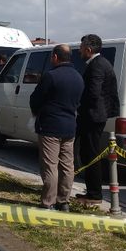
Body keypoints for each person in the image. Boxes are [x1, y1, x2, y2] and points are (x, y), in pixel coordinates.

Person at [29, 45, 84, 211]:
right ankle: (64, 200)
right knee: (68, 166)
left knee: (50, 166)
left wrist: (37, 112)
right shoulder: (78, 77)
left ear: (55, 57)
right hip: (69, 126)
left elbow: (36, 99)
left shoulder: (51, 76)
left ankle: (48, 202)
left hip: (50, 126)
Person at [75, 34, 120, 205]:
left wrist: (78, 106)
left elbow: (93, 93)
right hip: (95, 114)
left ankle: (94, 195)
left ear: (88, 49)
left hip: (93, 116)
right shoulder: (99, 64)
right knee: (87, 153)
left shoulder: (97, 66)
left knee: (90, 154)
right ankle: (92, 192)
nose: (79, 51)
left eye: (81, 48)